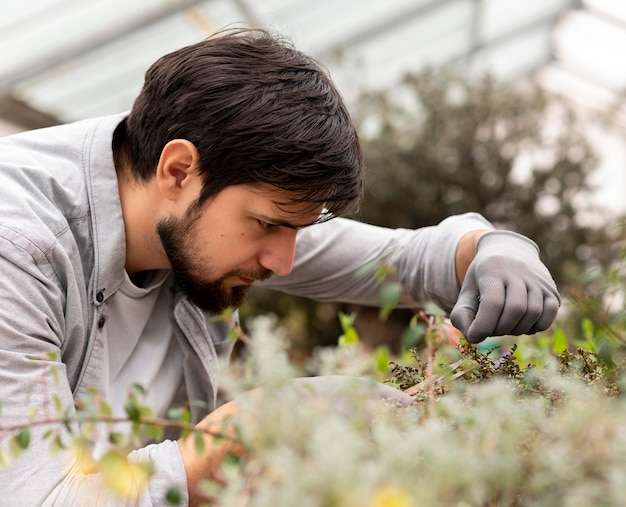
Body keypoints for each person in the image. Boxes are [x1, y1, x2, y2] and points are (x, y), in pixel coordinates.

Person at [0, 28, 559, 506]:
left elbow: (406, 260)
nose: (283, 261)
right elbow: (46, 497)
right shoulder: (18, 249)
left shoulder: (203, 202)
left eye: (296, 229)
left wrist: (494, 247)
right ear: (177, 170)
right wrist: (257, 427)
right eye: (268, 225)